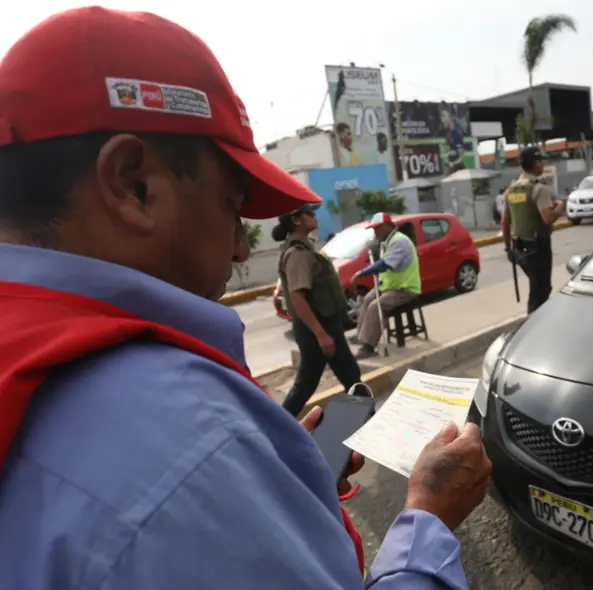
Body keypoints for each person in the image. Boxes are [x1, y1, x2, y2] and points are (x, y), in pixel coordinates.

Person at [0, 7, 491, 589]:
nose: (238, 247)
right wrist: (427, 520)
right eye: (232, 206)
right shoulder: (193, 445)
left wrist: (263, 484)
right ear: (134, 186)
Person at [274, 205, 364, 417]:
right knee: (309, 384)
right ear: (297, 220)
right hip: (316, 328)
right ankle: (277, 428)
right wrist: (321, 335)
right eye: (310, 214)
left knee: (348, 376)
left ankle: (361, 422)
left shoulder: (305, 250)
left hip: (321, 326)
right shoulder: (298, 254)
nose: (315, 217)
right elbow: (298, 297)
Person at [349, 212, 421, 359]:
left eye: (377, 228)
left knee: (376, 306)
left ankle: (368, 346)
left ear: (388, 226)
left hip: (405, 289)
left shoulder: (399, 241)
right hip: (391, 287)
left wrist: (361, 273)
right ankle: (362, 335)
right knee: (368, 298)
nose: (375, 232)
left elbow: (385, 264)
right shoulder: (386, 242)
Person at [502, 146, 564, 313]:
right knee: (540, 294)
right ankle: (534, 329)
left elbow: (505, 221)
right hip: (538, 249)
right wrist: (560, 207)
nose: (543, 165)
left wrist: (508, 248)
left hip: (519, 250)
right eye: (541, 161)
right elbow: (548, 217)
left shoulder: (512, 189)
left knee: (538, 288)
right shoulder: (539, 188)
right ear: (535, 163)